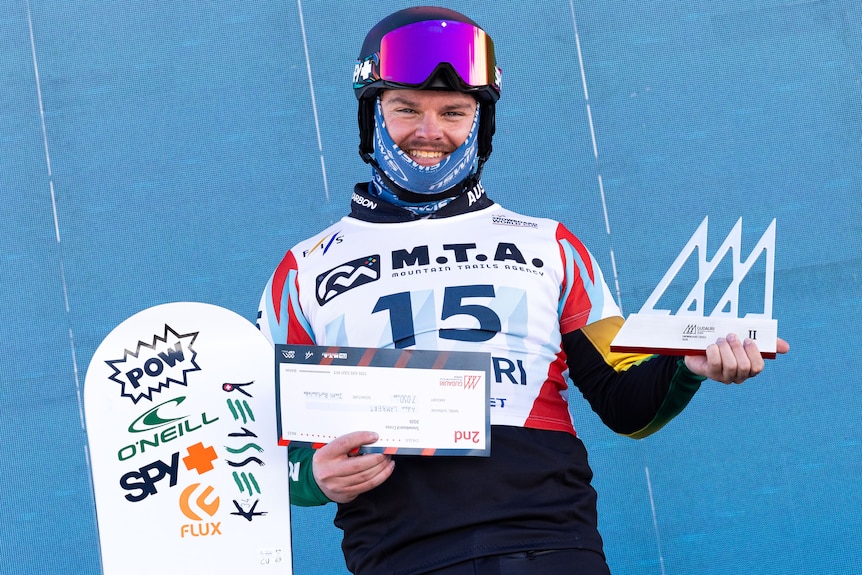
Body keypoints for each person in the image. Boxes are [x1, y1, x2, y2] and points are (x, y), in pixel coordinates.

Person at [257, 6, 789, 574]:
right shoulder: (302, 271)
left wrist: (687, 369)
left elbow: (626, 404)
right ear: (371, 115)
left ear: (480, 123)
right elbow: (264, 452)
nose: (429, 132)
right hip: (400, 558)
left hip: (553, 548)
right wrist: (314, 479)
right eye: (405, 109)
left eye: (454, 112)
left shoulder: (551, 246)